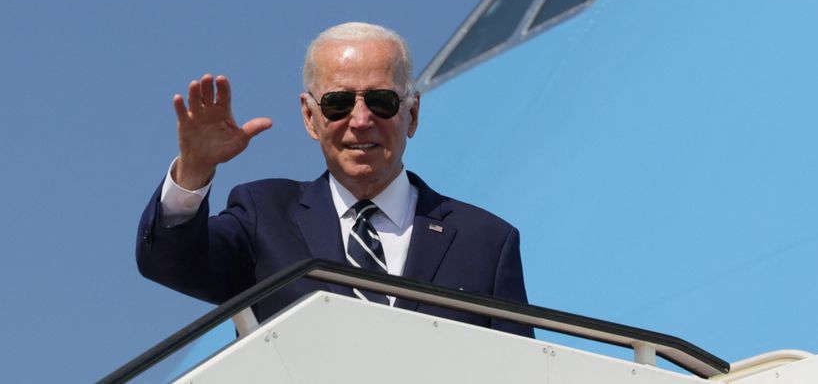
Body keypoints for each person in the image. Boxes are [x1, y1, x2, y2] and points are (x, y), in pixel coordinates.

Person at [137, 22, 531, 336]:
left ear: (411, 115)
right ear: (310, 117)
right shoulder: (264, 217)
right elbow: (169, 264)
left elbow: (522, 370)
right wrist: (194, 170)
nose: (361, 121)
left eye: (381, 101)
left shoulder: (485, 242)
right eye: (339, 103)